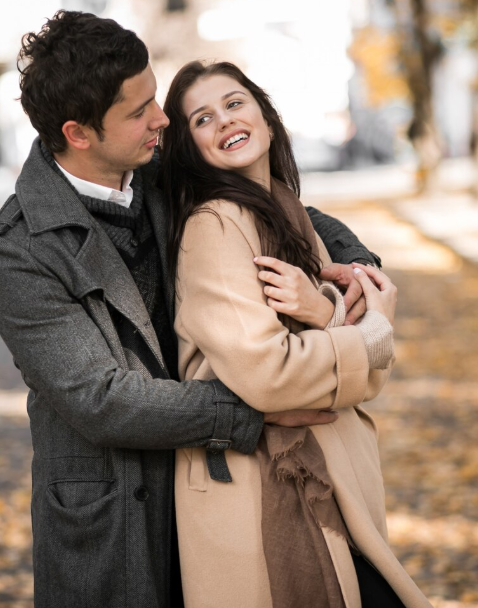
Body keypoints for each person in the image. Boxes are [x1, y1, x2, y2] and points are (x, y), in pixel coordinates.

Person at [0, 10, 382, 608]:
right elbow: (102, 399)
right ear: (79, 133)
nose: (162, 119)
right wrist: (256, 404)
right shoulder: (15, 252)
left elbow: (269, 200)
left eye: (154, 99)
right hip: (116, 515)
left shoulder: (157, 165)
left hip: (217, 487)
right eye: (139, 110)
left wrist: (352, 265)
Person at [160, 61, 433, 608]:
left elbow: (371, 374)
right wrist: (364, 333)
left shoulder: (286, 212)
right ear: (189, 147)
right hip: (267, 490)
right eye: (202, 118)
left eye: (234, 103)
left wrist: (324, 311)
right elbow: (269, 373)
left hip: (327, 480)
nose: (225, 122)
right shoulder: (213, 226)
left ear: (263, 112)